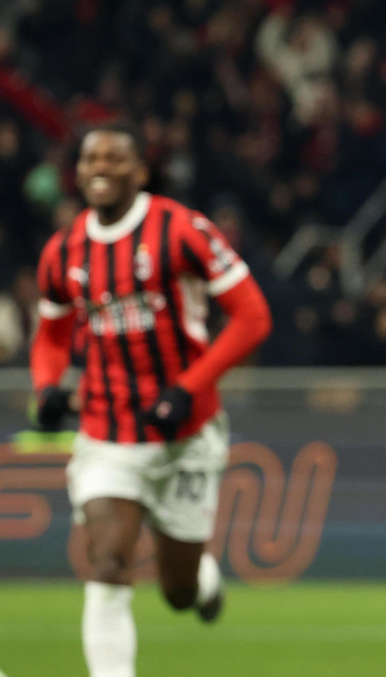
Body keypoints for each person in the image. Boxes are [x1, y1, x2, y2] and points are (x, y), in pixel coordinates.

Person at [29, 122, 273, 677]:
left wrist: (187, 388)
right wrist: (47, 386)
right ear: (78, 170)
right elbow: (50, 333)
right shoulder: (63, 250)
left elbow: (253, 317)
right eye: (92, 158)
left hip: (186, 434)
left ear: (139, 171)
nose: (101, 167)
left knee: (178, 592)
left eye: (115, 159)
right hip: (106, 431)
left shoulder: (183, 230)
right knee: (108, 561)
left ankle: (202, 580)